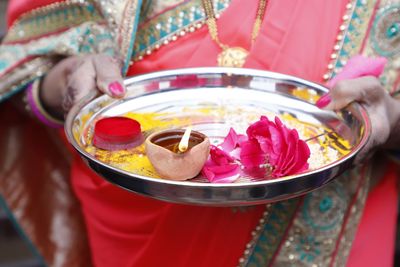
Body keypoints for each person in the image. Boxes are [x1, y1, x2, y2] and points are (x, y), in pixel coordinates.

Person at [1, 0, 399, 266]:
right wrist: (65, 82)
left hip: (335, 232)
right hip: (137, 229)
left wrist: (391, 121)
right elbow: (26, 65)